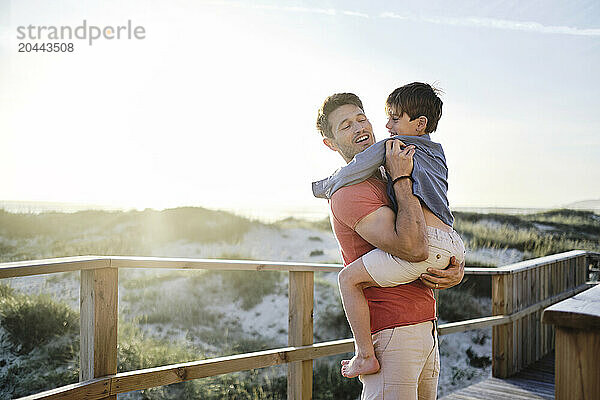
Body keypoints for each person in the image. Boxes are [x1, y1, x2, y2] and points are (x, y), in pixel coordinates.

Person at [315, 88, 464, 400]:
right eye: (346, 125)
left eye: (361, 118)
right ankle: (363, 353)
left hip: (425, 328)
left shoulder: (389, 172)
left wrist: (455, 270)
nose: (360, 128)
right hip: (393, 334)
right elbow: (414, 248)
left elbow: (431, 233)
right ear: (330, 143)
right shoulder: (350, 192)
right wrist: (401, 179)